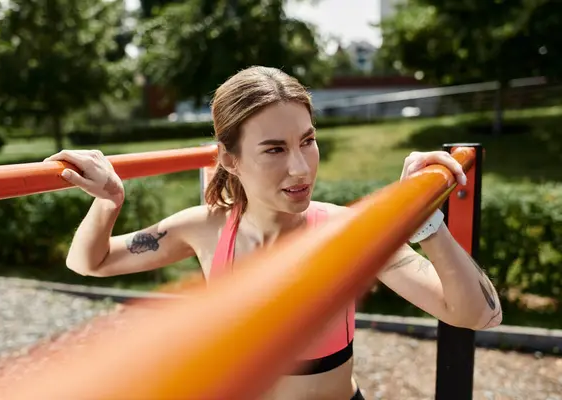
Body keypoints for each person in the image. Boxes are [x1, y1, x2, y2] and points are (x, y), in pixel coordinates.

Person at [45, 66, 502, 400]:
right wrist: (109, 201)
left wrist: (424, 221)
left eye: (307, 140)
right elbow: (89, 261)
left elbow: (480, 315)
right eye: (274, 149)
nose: (301, 168)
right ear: (229, 159)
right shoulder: (205, 228)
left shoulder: (348, 231)